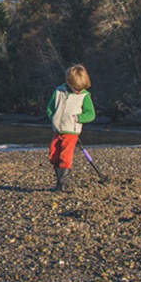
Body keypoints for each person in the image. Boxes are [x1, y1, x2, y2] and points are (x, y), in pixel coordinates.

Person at [46, 64, 95, 192]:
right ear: (68, 82)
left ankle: (63, 184)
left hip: (71, 131)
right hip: (58, 129)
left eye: (80, 89)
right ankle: (59, 182)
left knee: (65, 155)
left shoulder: (85, 96)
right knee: (53, 154)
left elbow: (90, 114)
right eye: (76, 88)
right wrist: (53, 117)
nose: (78, 91)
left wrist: (77, 118)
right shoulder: (59, 91)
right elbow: (50, 107)